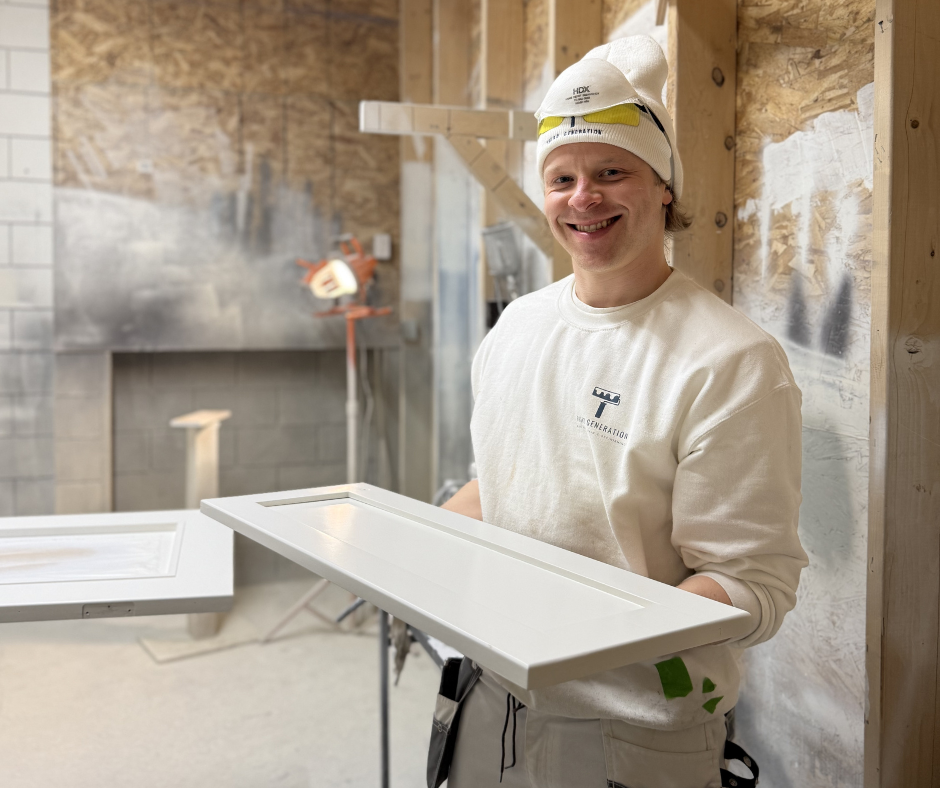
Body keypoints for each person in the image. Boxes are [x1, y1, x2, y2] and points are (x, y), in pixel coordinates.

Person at [437, 35, 808, 788]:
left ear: (663, 186)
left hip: (628, 729)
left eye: (612, 172)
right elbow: (498, 489)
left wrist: (590, 634)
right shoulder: (517, 328)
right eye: (562, 177)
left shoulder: (728, 360)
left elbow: (751, 585)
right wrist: (407, 551)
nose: (584, 198)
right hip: (487, 694)